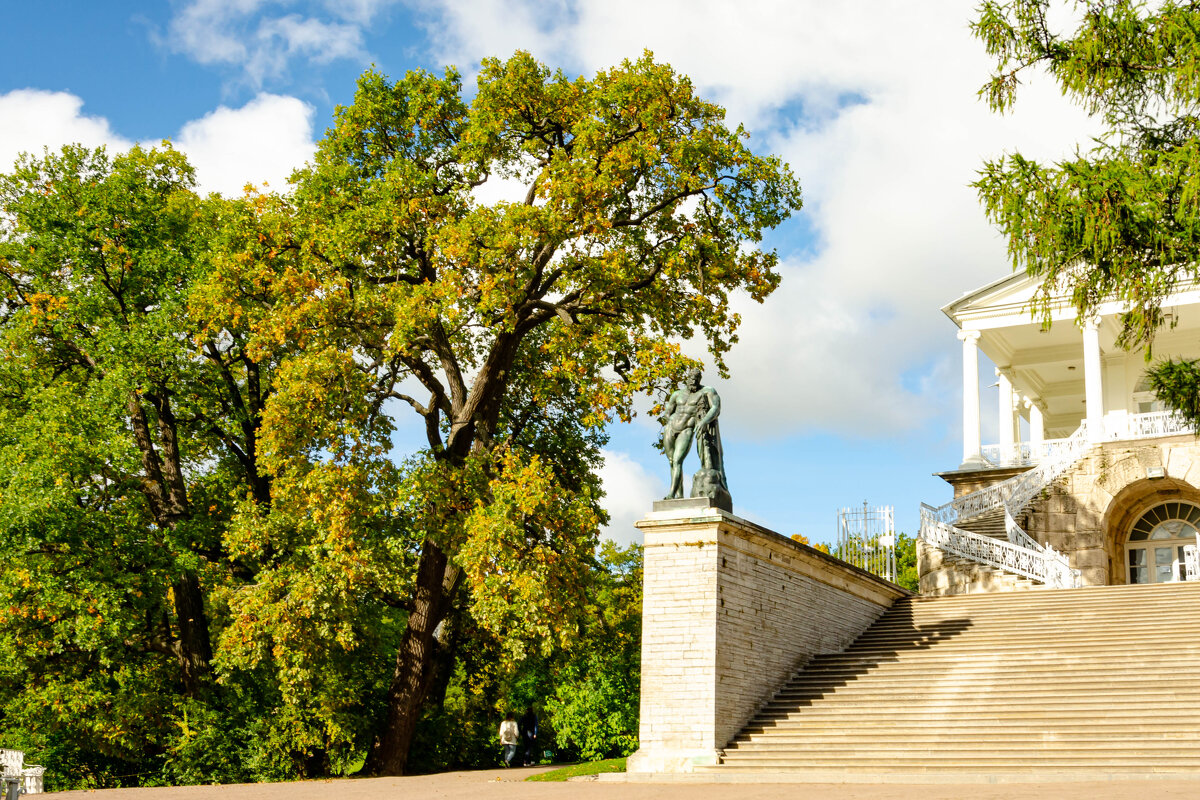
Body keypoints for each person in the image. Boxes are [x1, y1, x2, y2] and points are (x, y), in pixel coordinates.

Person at [662, 368, 729, 500]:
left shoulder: (707, 391)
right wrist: (668, 419)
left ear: (699, 380)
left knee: (677, 460)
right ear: (687, 379)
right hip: (671, 428)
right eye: (691, 379)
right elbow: (667, 412)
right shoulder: (676, 394)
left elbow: (715, 408)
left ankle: (671, 493)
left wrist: (704, 421)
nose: (693, 381)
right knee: (671, 462)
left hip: (687, 428)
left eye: (696, 380)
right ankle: (679, 495)